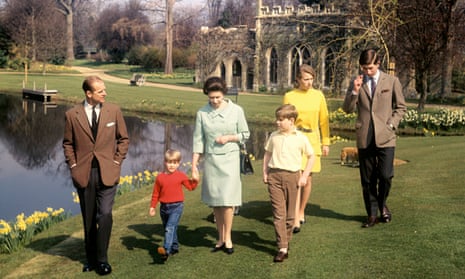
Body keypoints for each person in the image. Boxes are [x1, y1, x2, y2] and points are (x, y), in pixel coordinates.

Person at [63, 75, 129, 275]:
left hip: (108, 171)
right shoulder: (72, 114)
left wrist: (117, 162)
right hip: (84, 173)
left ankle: (102, 259)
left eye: (104, 90)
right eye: (101, 91)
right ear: (88, 93)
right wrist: (73, 166)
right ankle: (90, 259)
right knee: (89, 218)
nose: (105, 93)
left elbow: (123, 139)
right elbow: (68, 144)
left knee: (106, 214)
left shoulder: (114, 111)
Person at [342, 49, 406, 228]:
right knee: (368, 179)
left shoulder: (392, 81)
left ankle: (382, 203)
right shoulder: (357, 81)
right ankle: (371, 214)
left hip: (386, 136)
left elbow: (401, 107)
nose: (366, 71)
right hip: (365, 136)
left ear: (378, 64)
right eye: (363, 68)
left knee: (385, 176)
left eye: (370, 68)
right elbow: (347, 109)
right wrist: (354, 91)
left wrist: (392, 125)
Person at [191, 76, 250, 255]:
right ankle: (220, 238)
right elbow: (198, 141)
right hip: (212, 161)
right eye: (211, 98)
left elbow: (245, 134)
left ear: (224, 94)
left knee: (227, 200)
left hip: (230, 160)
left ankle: (229, 238)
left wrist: (229, 138)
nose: (215, 101)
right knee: (216, 202)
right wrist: (194, 165)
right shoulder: (202, 113)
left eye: (218, 97)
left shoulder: (237, 110)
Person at [263, 104, 315, 262]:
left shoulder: (300, 138)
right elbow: (267, 154)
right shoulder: (274, 136)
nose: (277, 123)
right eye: (277, 120)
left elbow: (311, 156)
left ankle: (285, 239)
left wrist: (304, 176)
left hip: (293, 177)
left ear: (291, 121)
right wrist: (265, 172)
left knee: (291, 216)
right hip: (274, 176)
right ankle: (283, 247)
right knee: (279, 213)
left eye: (281, 120)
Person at [283, 64, 330, 233]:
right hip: (295, 139)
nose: (309, 83)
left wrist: (326, 142)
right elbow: (285, 120)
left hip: (312, 140)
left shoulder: (318, 96)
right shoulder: (289, 96)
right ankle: (294, 215)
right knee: (296, 178)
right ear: (298, 80)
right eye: (306, 79)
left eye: (311, 79)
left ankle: (301, 211)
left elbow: (324, 120)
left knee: (307, 178)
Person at [149, 149, 199, 261]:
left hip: (177, 206)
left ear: (178, 163)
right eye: (169, 162)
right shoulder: (160, 178)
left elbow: (191, 187)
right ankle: (174, 247)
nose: (172, 165)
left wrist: (195, 180)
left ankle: (166, 250)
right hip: (164, 208)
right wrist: (152, 207)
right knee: (171, 228)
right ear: (165, 162)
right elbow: (155, 194)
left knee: (169, 228)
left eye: (175, 163)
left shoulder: (181, 176)